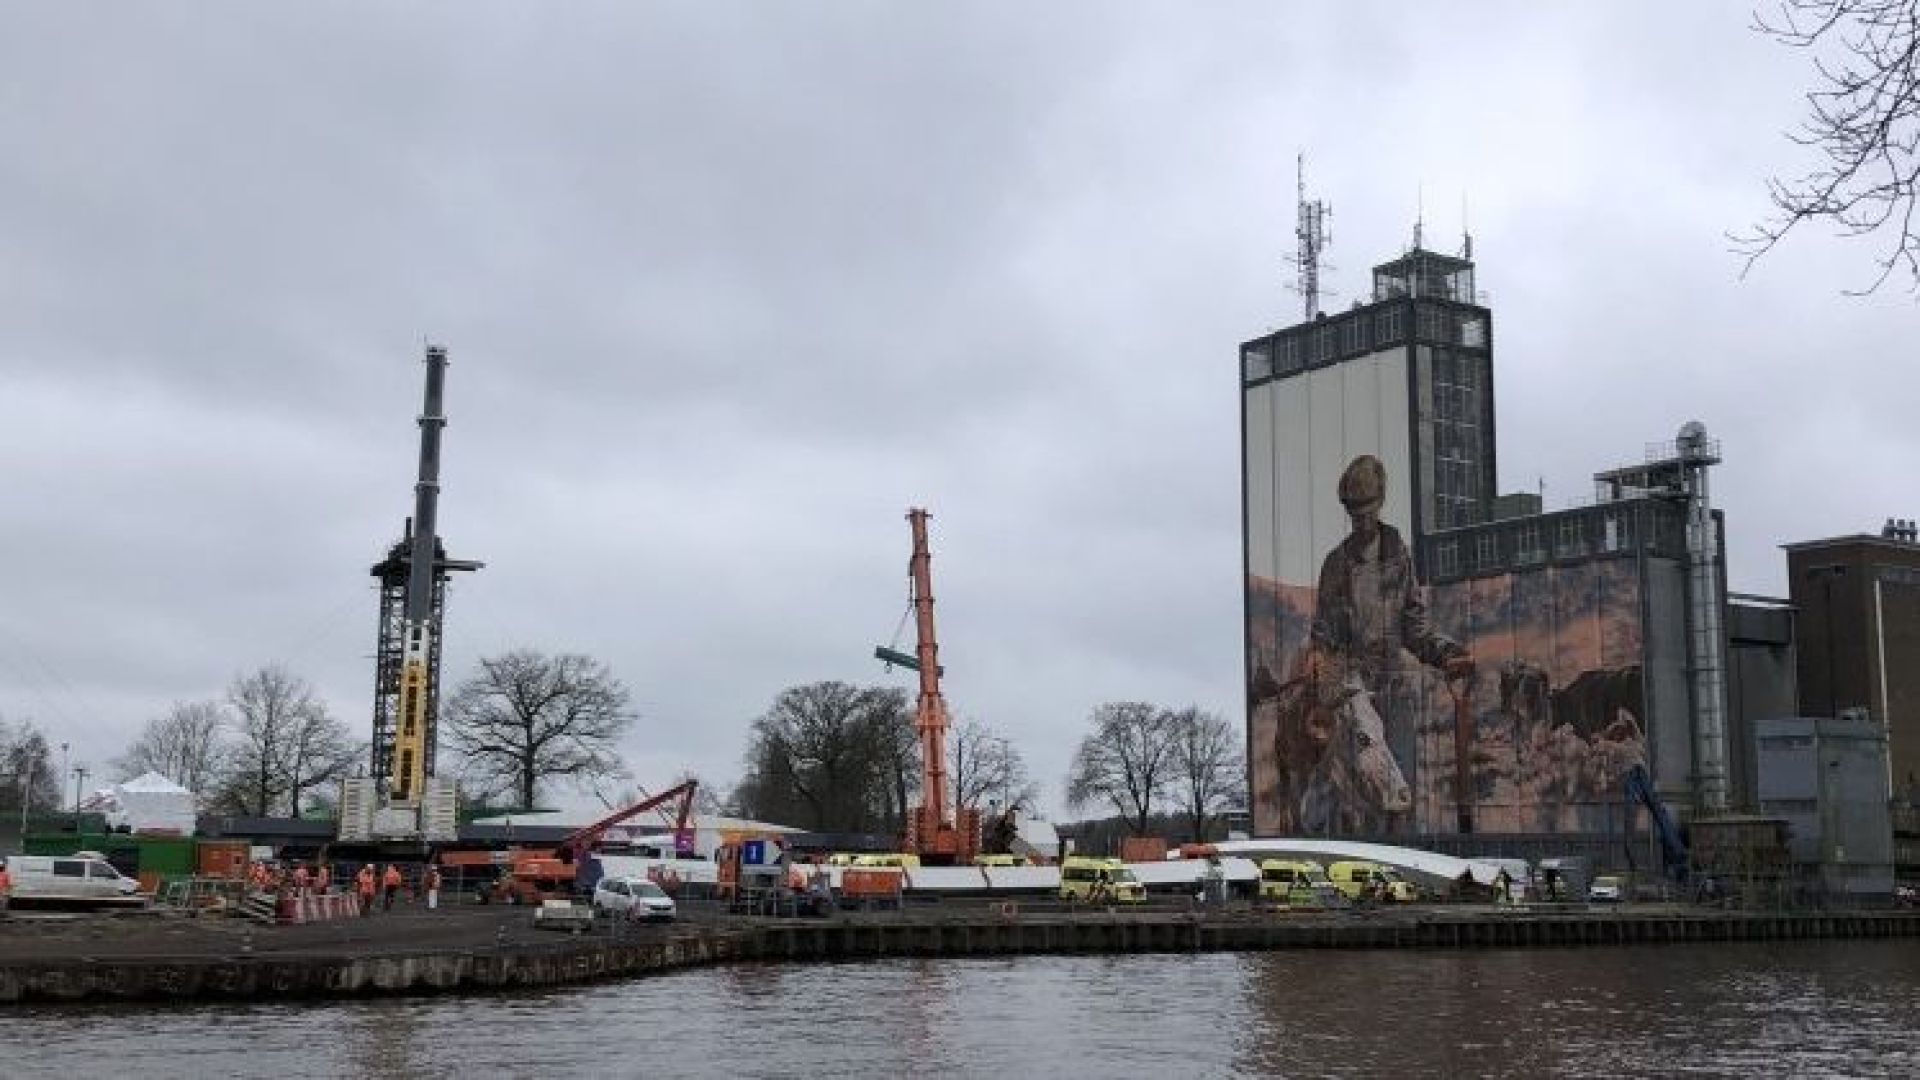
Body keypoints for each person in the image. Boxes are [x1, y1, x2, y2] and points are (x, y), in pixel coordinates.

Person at [1308, 455, 1474, 805]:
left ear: (1381, 502)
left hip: (1395, 691)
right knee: (1359, 799)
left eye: (1367, 510)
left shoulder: (1400, 558)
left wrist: (1446, 654)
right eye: (1354, 513)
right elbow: (1323, 640)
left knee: (1402, 799)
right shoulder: (1335, 566)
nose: (1361, 520)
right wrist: (1329, 692)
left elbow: (1415, 628)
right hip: (1352, 700)